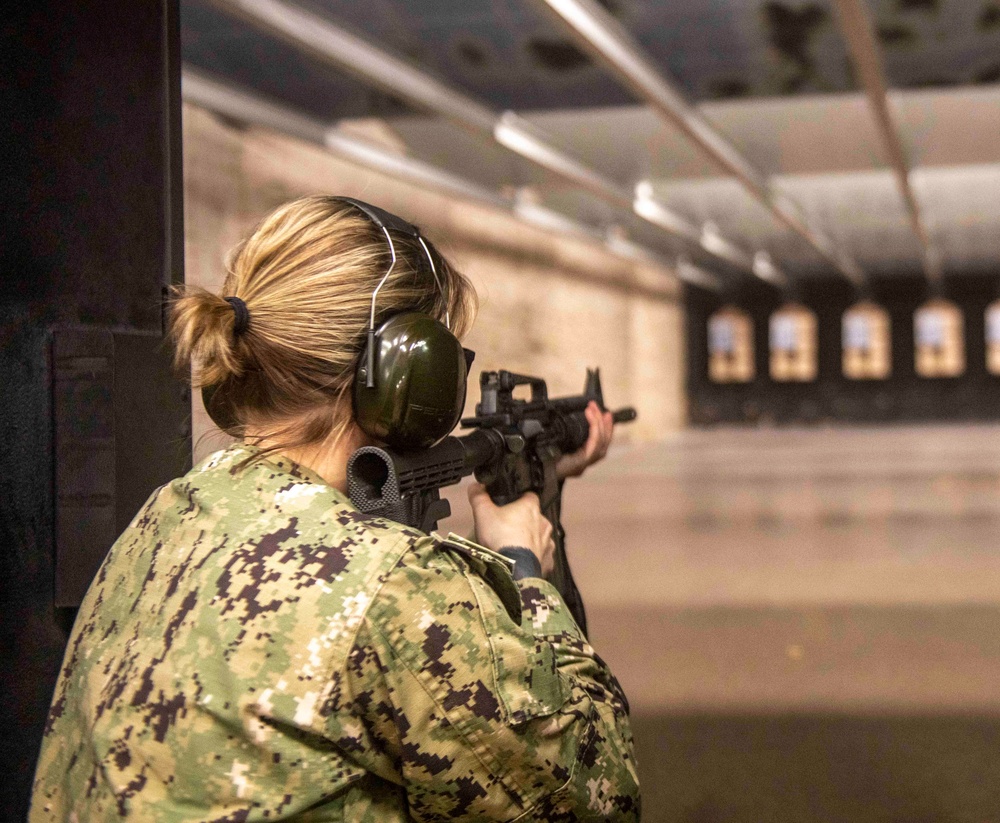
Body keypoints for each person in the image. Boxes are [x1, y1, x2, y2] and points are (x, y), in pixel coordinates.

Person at [30, 196, 640, 821]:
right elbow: (596, 798)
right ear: (414, 375)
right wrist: (524, 568)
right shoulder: (394, 587)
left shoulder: (164, 517)